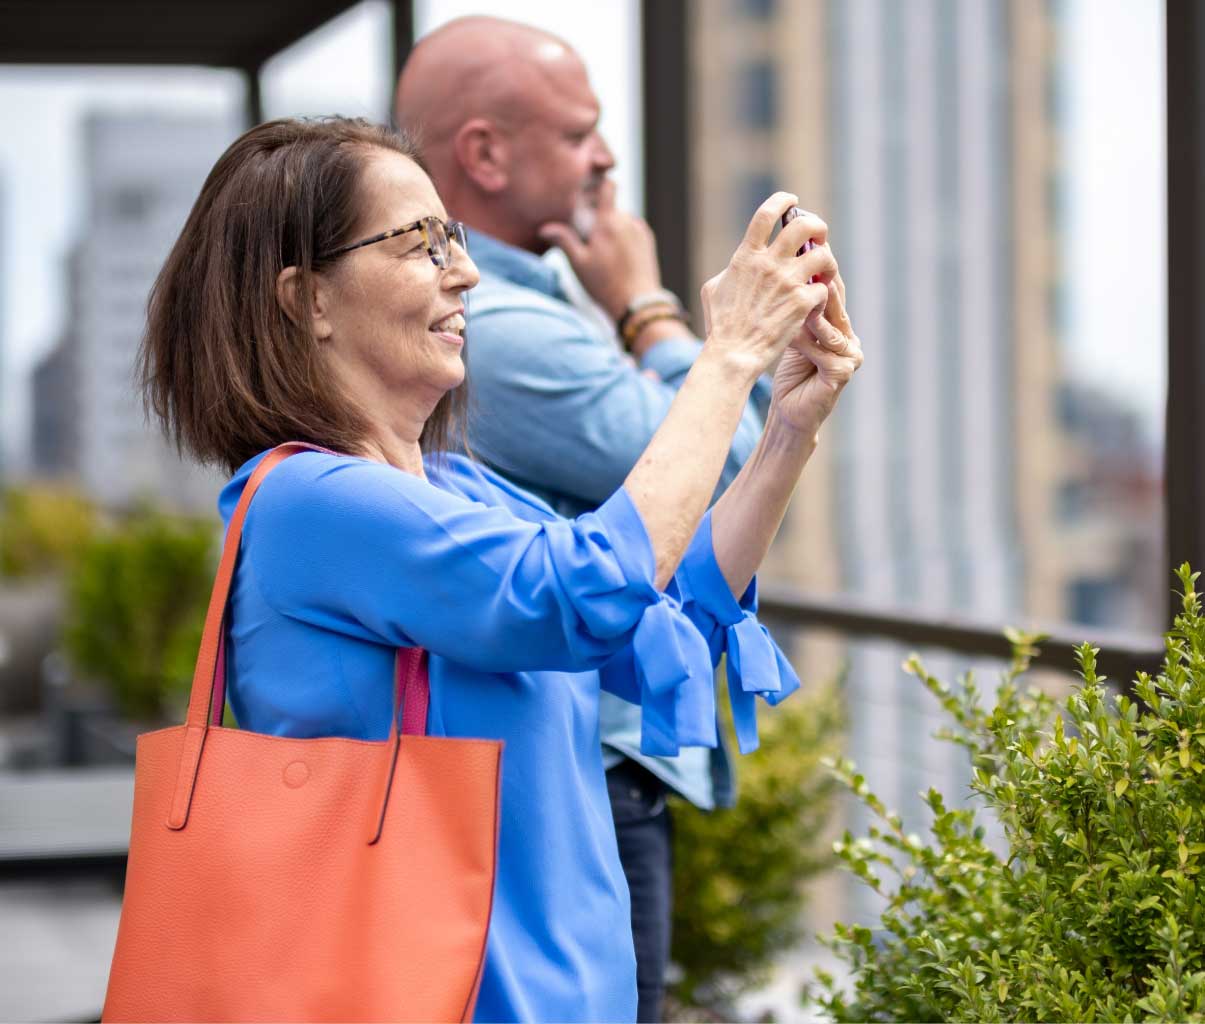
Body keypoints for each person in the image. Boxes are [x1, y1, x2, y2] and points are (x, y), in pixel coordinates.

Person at [139, 116, 861, 1022]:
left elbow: (660, 622)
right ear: (307, 299)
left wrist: (787, 429)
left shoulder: (457, 486)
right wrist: (727, 357)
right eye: (419, 244)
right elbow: (580, 592)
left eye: (453, 237)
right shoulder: (306, 503)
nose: (465, 273)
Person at [395, 18, 777, 1018]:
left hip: (567, 755)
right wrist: (648, 308)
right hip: (584, 766)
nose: (604, 157)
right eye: (576, 134)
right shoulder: (496, 327)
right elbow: (721, 465)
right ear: (483, 154)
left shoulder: (518, 310)